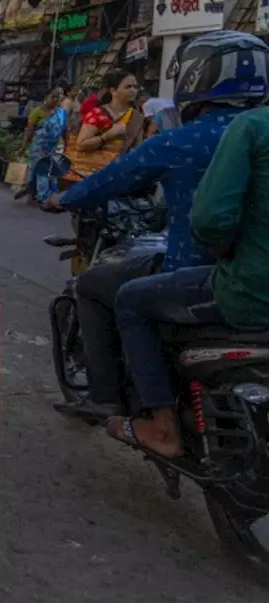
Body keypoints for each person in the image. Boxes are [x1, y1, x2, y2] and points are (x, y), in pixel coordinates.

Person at [53, 33, 269, 420]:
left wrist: (63, 198)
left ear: (194, 80)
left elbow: (117, 179)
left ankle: (122, 404)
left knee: (103, 288)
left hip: (209, 273)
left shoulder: (190, 139)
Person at [69, 70, 141, 178]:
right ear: (113, 90)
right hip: (91, 176)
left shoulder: (137, 116)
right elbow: (81, 145)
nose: (133, 90)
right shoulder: (97, 114)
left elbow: (137, 148)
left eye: (135, 87)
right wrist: (109, 135)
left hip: (119, 176)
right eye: (128, 87)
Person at [16, 83, 74, 208]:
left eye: (58, 98)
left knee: (51, 171)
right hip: (38, 147)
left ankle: (48, 195)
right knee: (39, 170)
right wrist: (23, 147)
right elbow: (29, 131)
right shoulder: (36, 112)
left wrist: (66, 144)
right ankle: (41, 197)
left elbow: (65, 130)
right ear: (46, 97)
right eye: (53, 97)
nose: (55, 100)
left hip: (54, 147)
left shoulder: (62, 113)